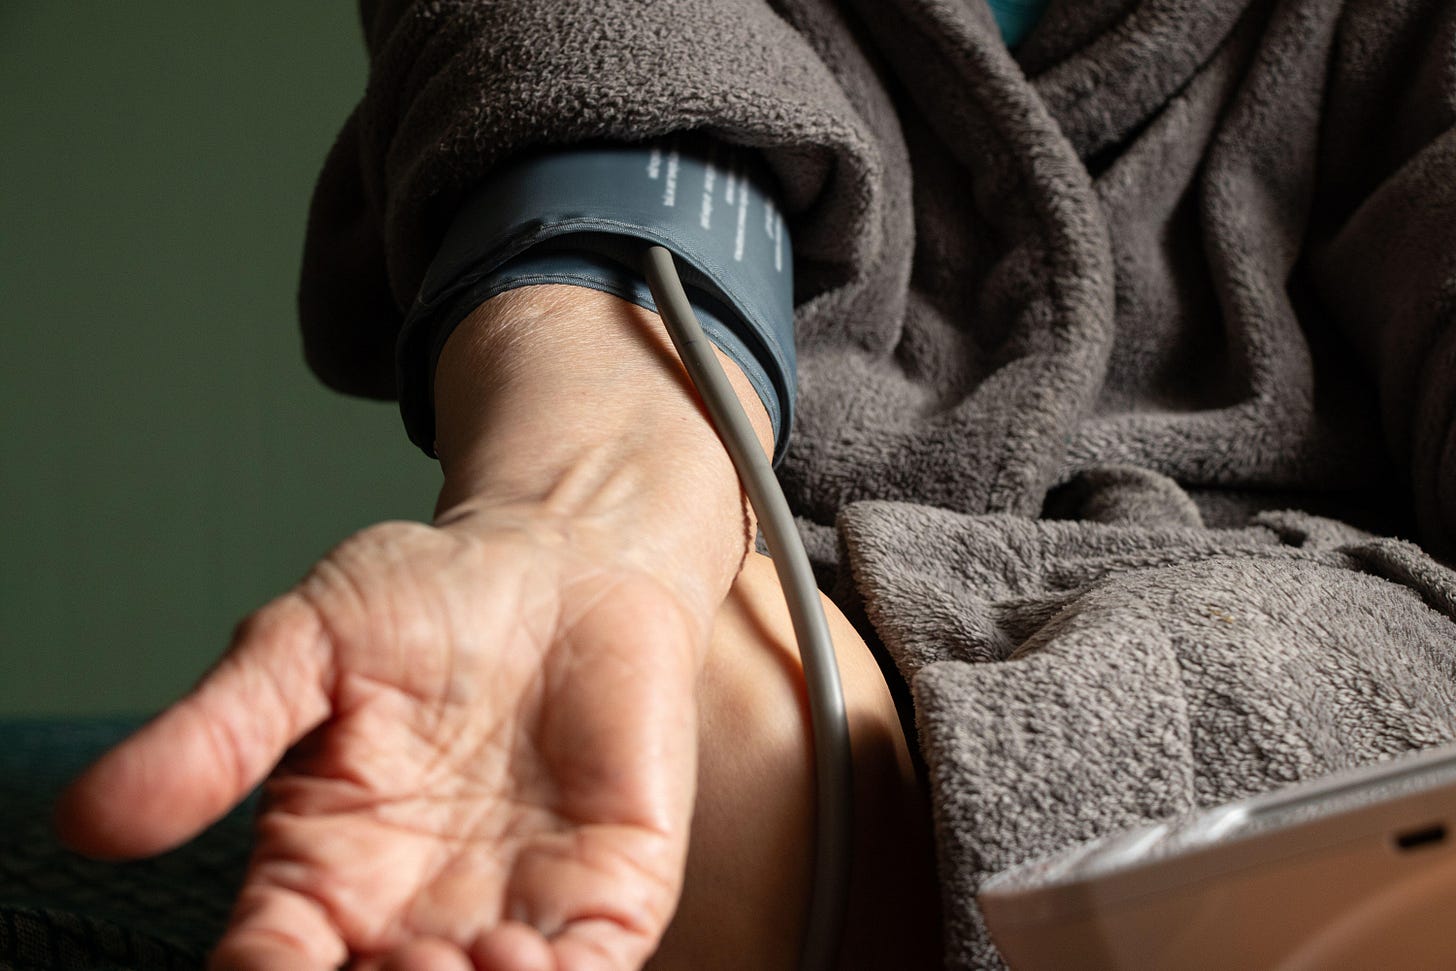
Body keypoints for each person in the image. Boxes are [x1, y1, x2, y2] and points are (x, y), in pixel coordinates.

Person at [56, 0, 1456, 968]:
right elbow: (595, 77)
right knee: (677, 726)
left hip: (1369, 612)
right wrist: (576, 520)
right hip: (786, 577)